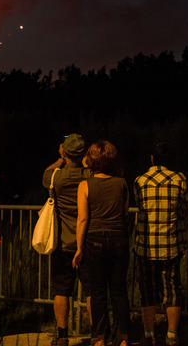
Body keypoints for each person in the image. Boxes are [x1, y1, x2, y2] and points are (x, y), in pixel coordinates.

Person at [134, 142, 188, 346]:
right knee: (172, 291)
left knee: (148, 291)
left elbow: (139, 205)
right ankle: (171, 336)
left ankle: (149, 334)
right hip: (171, 245)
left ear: (152, 158)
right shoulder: (180, 179)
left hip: (145, 246)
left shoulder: (140, 181)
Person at [73, 140, 130, 346]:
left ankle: (100, 339)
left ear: (91, 161)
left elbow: (83, 219)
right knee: (119, 291)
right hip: (118, 239)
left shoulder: (85, 185)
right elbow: (124, 212)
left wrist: (79, 249)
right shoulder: (121, 183)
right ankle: (123, 338)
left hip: (94, 241)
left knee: (97, 292)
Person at [42, 134, 92, 345]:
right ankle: (95, 334)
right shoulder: (91, 175)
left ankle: (63, 336)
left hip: (63, 241)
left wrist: (61, 158)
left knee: (62, 289)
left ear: (65, 152)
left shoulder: (55, 177)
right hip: (87, 240)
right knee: (91, 289)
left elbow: (47, 172)